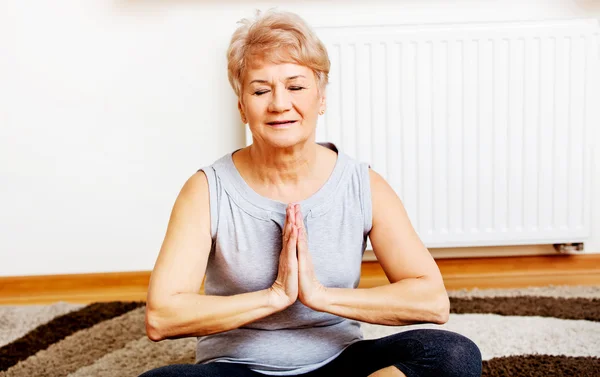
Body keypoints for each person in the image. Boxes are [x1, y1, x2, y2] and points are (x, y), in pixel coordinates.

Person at [140, 9, 482, 377]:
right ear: (242, 106)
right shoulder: (206, 190)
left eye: (296, 86)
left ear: (320, 97)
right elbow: (162, 316)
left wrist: (319, 295)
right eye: (260, 90)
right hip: (237, 368)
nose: (279, 104)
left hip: (339, 363)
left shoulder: (361, 183)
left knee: (453, 355)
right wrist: (274, 296)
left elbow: (432, 301)